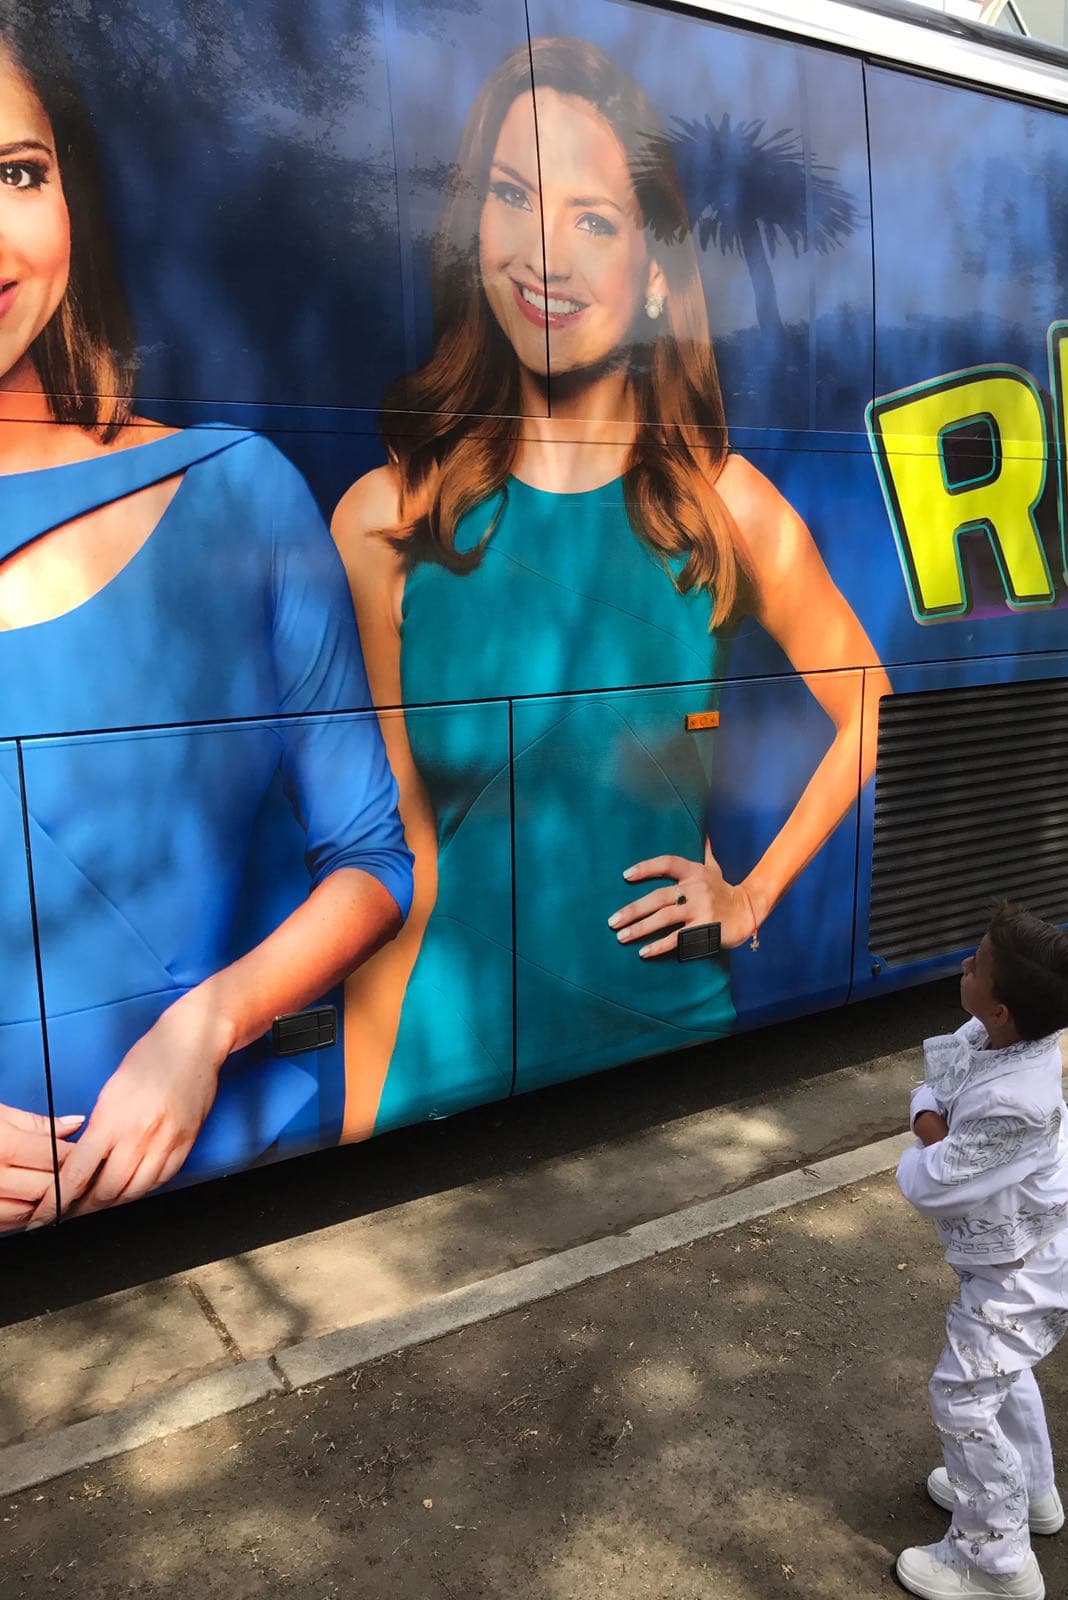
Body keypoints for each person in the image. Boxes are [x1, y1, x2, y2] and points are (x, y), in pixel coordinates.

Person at [334, 35, 887, 1132]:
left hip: (665, 1059)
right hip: (439, 1072)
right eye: (512, 196)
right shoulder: (386, 520)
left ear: (655, 276)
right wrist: (359, 1119)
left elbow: (871, 707)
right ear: (473, 230)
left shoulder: (724, 508)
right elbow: (404, 856)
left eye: (595, 219)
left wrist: (751, 894)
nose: (546, 252)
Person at [0, 1, 413, 1231]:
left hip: (232, 1205)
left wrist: (204, 1028)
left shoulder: (237, 490)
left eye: (16, 173)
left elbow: (372, 859)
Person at [893, 903, 1068, 1600]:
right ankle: (1031, 1494)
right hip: (1012, 1263)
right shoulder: (995, 1035)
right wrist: (934, 1119)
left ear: (1004, 1007)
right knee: (998, 1380)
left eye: (977, 964)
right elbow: (942, 1083)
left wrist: (927, 1129)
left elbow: (937, 1180)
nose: (965, 965)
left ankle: (996, 1562)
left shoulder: (1019, 1100)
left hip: (1024, 1277)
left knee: (961, 1398)